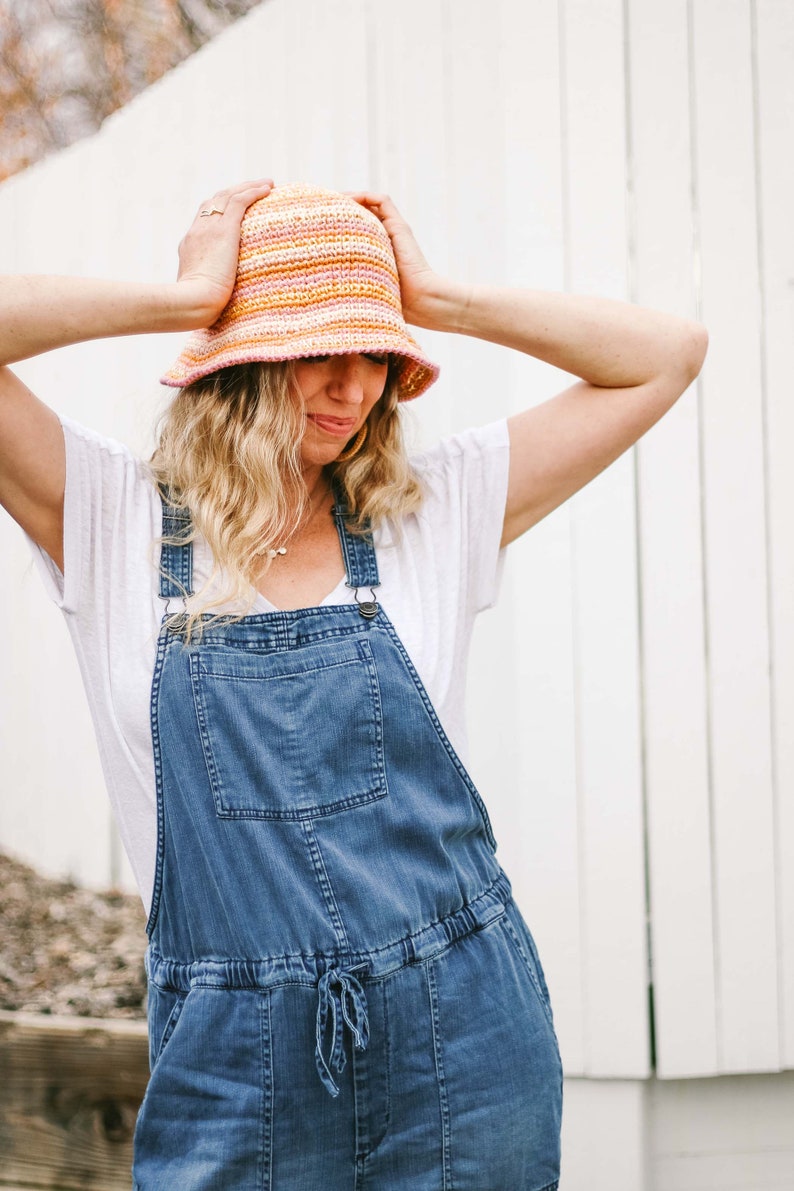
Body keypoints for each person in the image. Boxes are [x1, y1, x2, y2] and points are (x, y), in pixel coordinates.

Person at [0, 178, 707, 1189]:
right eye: (315, 353)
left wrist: (435, 297)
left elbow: (665, 355)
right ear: (237, 365)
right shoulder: (110, 520)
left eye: (374, 353)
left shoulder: (431, 512)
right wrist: (189, 297)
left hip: (461, 1029)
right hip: (235, 1061)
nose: (354, 387)